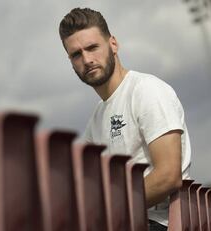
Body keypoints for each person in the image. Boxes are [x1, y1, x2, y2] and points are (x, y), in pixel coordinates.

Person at [58, 7, 191, 231]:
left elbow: (168, 176)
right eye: (76, 54)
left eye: (92, 48)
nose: (87, 59)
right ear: (71, 61)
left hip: (158, 223)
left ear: (113, 44)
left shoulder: (147, 90)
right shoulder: (97, 118)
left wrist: (107, 210)